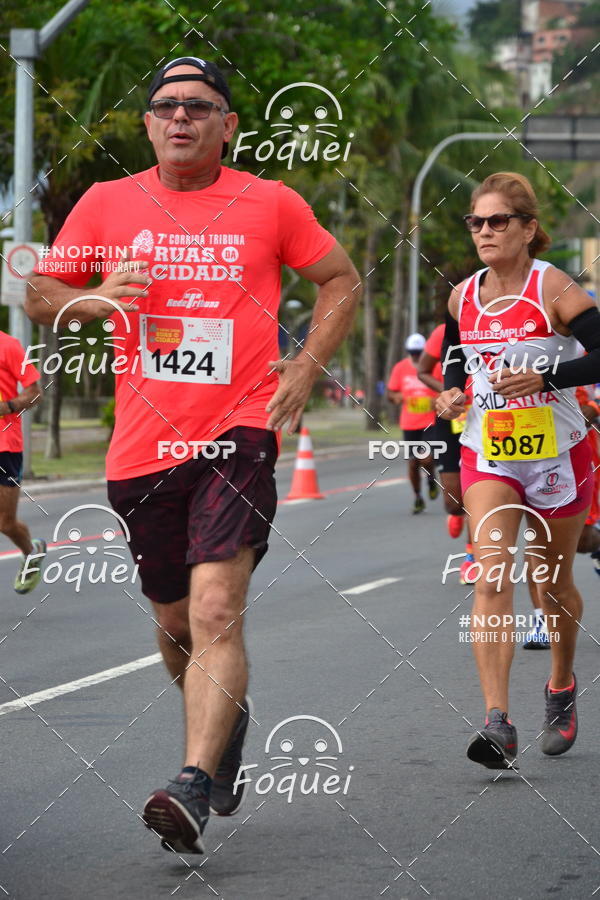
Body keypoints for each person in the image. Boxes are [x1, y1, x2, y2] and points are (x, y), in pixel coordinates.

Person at [26, 57, 361, 853]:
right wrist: (97, 296)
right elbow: (40, 292)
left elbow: (340, 279)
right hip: (141, 449)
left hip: (238, 430)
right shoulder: (107, 203)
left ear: (228, 124)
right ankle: (226, 726)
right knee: (176, 621)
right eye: (167, 106)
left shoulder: (270, 202)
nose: (181, 117)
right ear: (148, 124)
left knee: (216, 610)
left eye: (200, 106)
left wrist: (306, 365)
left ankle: (189, 784)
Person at [436, 171, 600, 770]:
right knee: (491, 577)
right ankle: (497, 722)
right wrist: (450, 397)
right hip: (491, 453)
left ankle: (560, 684)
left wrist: (550, 377)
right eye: (475, 222)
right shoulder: (462, 296)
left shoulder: (551, 288)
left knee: (552, 585)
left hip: (557, 455)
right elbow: (457, 365)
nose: (484, 231)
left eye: (498, 220)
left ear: (529, 229)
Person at [418, 322, 475, 582]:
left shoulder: (501, 325)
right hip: (451, 417)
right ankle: (456, 514)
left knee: (479, 490)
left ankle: (471, 556)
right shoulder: (443, 330)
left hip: (489, 417)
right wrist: (448, 390)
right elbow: (422, 371)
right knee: (454, 502)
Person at [0, 330, 45, 593]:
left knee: (5, 523)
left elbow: (35, 393)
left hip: (5, 446)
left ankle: (31, 551)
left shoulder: (9, 346)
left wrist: (8, 406)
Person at [388, 333, 439, 514]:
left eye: (419, 352)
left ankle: (431, 477)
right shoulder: (400, 368)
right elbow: (391, 393)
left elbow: (446, 389)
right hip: (409, 423)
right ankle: (418, 497)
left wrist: (438, 400)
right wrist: (397, 397)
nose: (416, 356)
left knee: (426, 457)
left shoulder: (435, 366)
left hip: (430, 421)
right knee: (412, 463)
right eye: (413, 353)